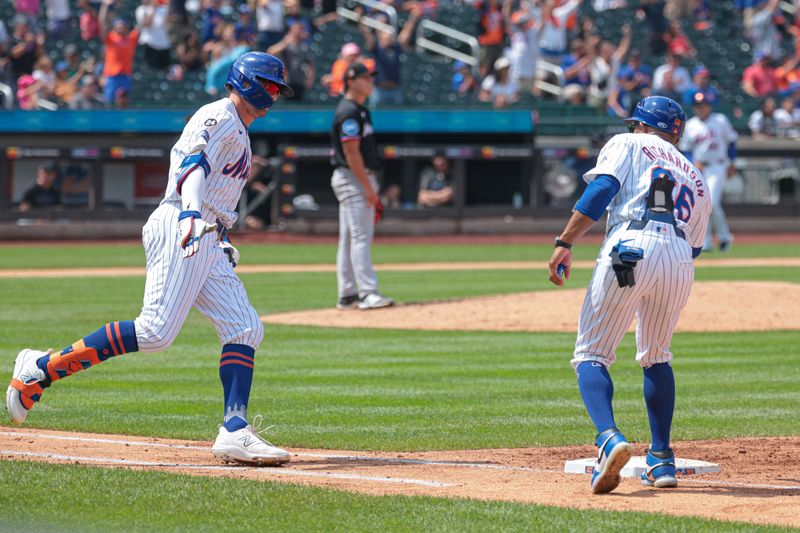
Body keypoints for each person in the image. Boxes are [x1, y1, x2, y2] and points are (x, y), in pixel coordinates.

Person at [6, 52, 295, 467]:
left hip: (206, 232)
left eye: (277, 89)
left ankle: (235, 430)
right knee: (156, 332)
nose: (273, 94)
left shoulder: (243, 132)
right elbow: (194, 167)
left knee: (245, 327)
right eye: (268, 85)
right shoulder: (219, 116)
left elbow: (216, 189)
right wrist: (194, 214)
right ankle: (42, 367)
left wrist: (220, 234)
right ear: (245, 81)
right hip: (181, 219)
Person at [547, 96, 711, 494]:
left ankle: (608, 439)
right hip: (679, 260)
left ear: (640, 124)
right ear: (676, 131)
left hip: (630, 246)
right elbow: (696, 246)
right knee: (656, 355)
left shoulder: (627, 143)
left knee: (591, 354)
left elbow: (603, 187)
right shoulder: (695, 174)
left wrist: (565, 240)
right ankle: (661, 459)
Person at [330, 62, 394, 311]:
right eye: (365, 78)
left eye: (370, 77)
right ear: (351, 80)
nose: (370, 82)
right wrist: (367, 187)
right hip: (353, 177)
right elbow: (351, 152)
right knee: (360, 237)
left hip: (352, 177)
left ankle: (347, 294)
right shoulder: (348, 111)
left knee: (349, 237)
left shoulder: (359, 109)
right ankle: (368, 292)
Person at [679, 91, 738, 251]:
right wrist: (692, 162)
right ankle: (706, 242)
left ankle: (724, 237)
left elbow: (732, 142)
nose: (701, 108)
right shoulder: (691, 125)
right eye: (698, 105)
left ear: (709, 106)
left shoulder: (720, 120)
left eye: (703, 105)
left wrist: (732, 162)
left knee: (712, 202)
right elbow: (686, 150)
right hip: (699, 168)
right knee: (701, 204)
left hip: (718, 166)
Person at [99, 0, 140, 106]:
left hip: (125, 76)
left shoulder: (131, 38)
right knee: (109, 104)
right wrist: (105, 6)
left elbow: (141, 25)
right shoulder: (111, 39)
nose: (120, 29)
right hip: (112, 76)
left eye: (122, 27)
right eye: (118, 27)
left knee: (124, 104)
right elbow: (102, 23)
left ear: (126, 28)